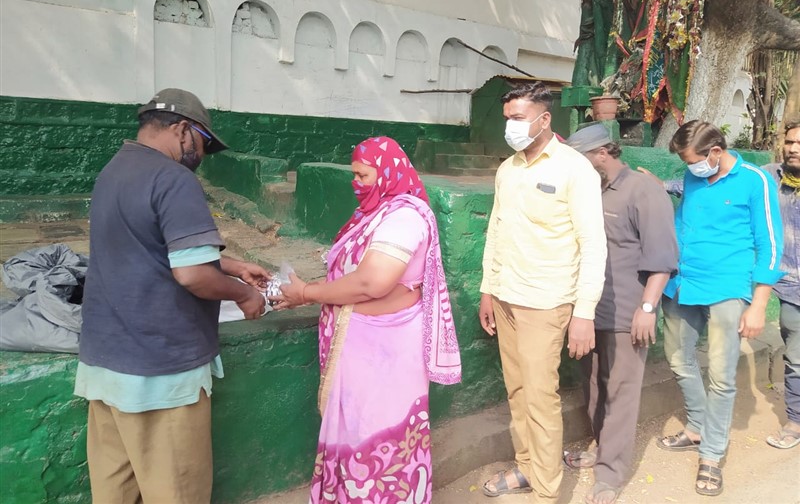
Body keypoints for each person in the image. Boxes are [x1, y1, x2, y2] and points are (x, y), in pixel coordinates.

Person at [75, 88, 272, 503]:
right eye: (203, 144)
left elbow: (147, 246)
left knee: (114, 491)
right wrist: (243, 294)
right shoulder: (174, 179)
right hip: (160, 374)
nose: (201, 156)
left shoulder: (113, 170)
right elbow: (192, 274)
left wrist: (231, 265)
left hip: (105, 365)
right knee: (177, 492)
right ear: (183, 130)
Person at [276, 136, 461, 504]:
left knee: (379, 439)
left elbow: (371, 282)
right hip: (361, 348)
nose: (356, 184)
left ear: (387, 173)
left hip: (387, 352)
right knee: (354, 432)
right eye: (354, 175)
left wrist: (306, 293)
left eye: (363, 176)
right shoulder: (377, 213)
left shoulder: (404, 218)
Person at [478, 83, 608, 501]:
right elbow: (496, 231)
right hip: (506, 296)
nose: (511, 127)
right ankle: (526, 467)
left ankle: (548, 491)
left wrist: (584, 311)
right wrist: (487, 289)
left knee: (539, 397)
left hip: (546, 302)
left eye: (518, 118)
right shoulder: (508, 169)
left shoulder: (575, 170)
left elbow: (593, 244)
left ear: (544, 118)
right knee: (517, 392)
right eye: (507, 119)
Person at [656, 120, 783, 497]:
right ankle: (697, 427)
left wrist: (759, 304)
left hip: (728, 288)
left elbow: (770, 243)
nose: (690, 167)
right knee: (678, 359)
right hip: (683, 283)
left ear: (715, 151)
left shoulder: (755, 181)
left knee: (722, 375)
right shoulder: (693, 175)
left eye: (692, 160)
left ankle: (712, 454)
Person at [564, 124, 678, 504]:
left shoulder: (643, 191)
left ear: (602, 153)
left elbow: (662, 258)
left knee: (621, 392)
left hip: (628, 312)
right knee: (594, 386)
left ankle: (610, 475)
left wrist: (647, 308)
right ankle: (602, 450)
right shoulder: (586, 190)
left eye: (581, 159)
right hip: (588, 310)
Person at [764, 120, 800, 449]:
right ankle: (795, 421)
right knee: (796, 358)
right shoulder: (769, 177)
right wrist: (662, 185)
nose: (793, 149)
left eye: (799, 144)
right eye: (790, 142)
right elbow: (726, 183)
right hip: (790, 287)